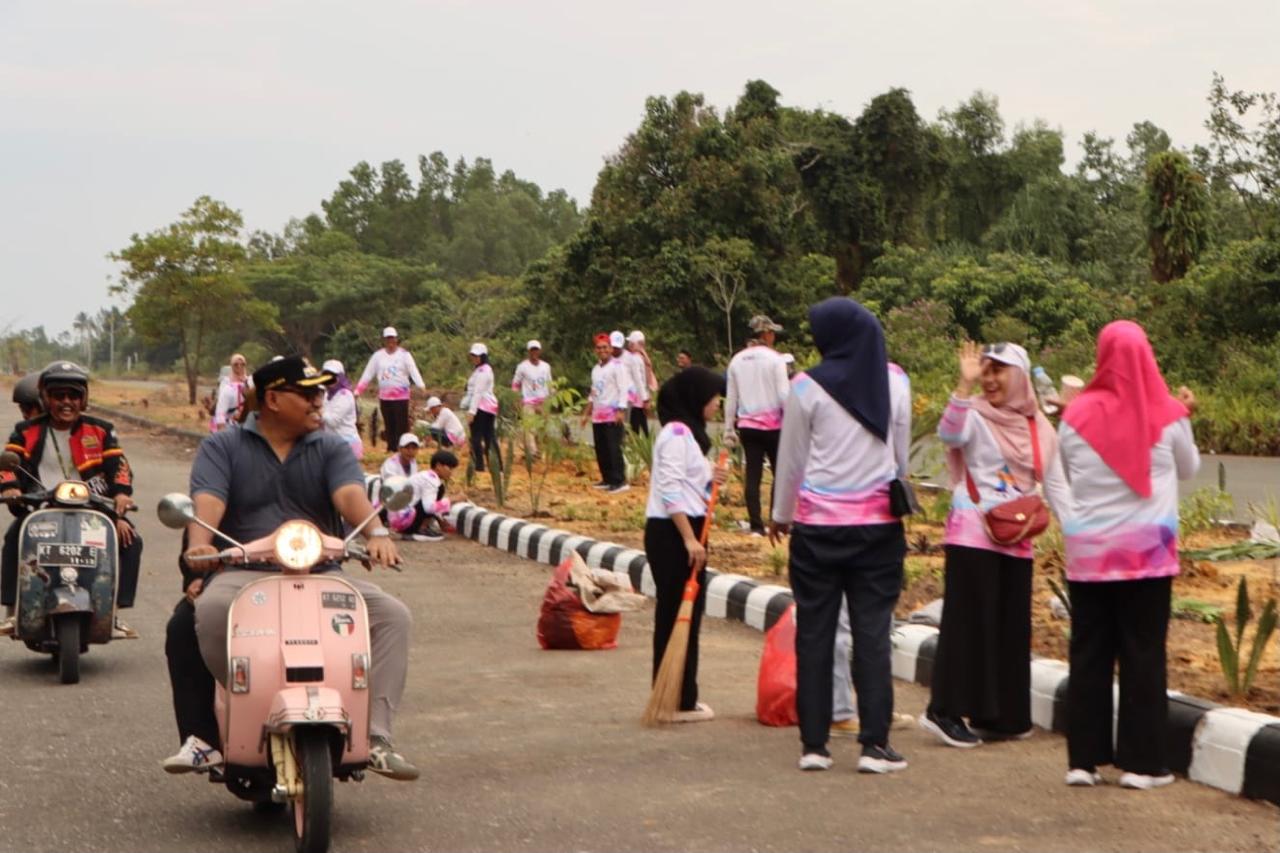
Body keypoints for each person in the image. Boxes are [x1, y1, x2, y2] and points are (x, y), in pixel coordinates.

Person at [186, 357, 418, 780]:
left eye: (320, 393)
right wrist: (201, 546)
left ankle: (378, 738)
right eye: (308, 393)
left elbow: (350, 494)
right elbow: (209, 504)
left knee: (390, 616)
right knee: (209, 613)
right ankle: (233, 716)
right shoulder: (223, 446)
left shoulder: (330, 446)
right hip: (244, 571)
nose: (318, 402)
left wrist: (376, 532)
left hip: (321, 570)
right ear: (272, 399)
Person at [768, 297, 911, 774]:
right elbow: (901, 458)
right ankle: (875, 746)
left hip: (816, 531)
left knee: (815, 632)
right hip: (877, 531)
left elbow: (791, 460)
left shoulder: (805, 386)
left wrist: (781, 514)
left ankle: (814, 746)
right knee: (872, 633)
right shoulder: (896, 381)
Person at [1056, 321, 1199, 790]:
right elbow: (1189, 469)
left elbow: (1070, 479)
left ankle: (1083, 761)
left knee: (1090, 652)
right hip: (1147, 557)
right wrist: (1184, 416)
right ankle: (1142, 765)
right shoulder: (1169, 413)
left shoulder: (1074, 417)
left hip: (1090, 554)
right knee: (1142, 653)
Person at [920, 341, 1070, 750]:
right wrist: (962, 387)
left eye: (997, 371)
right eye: (985, 371)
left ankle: (1003, 716)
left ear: (1020, 377)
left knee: (1008, 627)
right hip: (973, 533)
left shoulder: (1040, 427)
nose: (989, 379)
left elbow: (1055, 487)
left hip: (1018, 538)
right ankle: (943, 710)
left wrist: (1079, 539)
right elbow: (949, 433)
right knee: (968, 625)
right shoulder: (974, 415)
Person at [0, 361, 141, 639]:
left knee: (131, 540)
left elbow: (119, 467)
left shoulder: (101, 430)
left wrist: (122, 498)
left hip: (93, 507)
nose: (66, 402)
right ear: (46, 398)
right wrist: (10, 488)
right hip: (41, 506)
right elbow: (7, 464)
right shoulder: (26, 431)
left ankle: (114, 611)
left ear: (83, 399)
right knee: (13, 538)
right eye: (58, 395)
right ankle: (13, 610)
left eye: (73, 395)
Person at [644, 366, 728, 722]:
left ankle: (678, 695)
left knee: (682, 615)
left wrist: (713, 475)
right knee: (676, 615)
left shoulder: (684, 435)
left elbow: (691, 484)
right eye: (713, 400)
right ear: (696, 398)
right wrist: (690, 539)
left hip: (681, 530)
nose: (715, 406)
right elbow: (670, 489)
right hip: (674, 533)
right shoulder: (677, 434)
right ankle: (676, 700)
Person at [724, 316, 790, 536]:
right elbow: (784, 395)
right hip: (774, 426)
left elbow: (731, 399)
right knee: (779, 474)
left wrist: (728, 430)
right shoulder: (776, 359)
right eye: (772, 333)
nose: (773, 337)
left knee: (753, 475)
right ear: (766, 334)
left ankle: (755, 525)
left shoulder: (737, 360)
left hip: (748, 426)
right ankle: (776, 521)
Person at [355, 327, 427, 452]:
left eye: (392, 338)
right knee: (389, 422)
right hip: (385, 396)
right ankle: (391, 447)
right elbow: (368, 373)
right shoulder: (377, 356)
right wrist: (358, 390)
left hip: (401, 396)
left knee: (401, 423)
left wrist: (421, 385)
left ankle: (403, 448)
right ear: (384, 340)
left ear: (396, 339)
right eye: (388, 338)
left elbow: (413, 370)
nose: (390, 341)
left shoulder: (404, 355)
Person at [582, 332, 629, 494]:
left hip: (612, 413)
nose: (602, 350)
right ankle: (607, 478)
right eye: (599, 348)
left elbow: (624, 389)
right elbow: (593, 392)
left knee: (613, 447)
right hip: (598, 415)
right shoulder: (596, 369)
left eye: (605, 347)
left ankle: (619, 480)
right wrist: (587, 413)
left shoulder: (618, 366)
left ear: (610, 349)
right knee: (601, 448)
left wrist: (621, 410)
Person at [395, 450, 459, 542]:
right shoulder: (431, 481)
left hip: (399, 517)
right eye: (449, 468)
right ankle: (418, 530)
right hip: (404, 521)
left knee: (439, 490)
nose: (451, 472)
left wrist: (440, 520)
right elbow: (429, 507)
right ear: (438, 466)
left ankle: (421, 527)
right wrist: (453, 499)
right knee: (439, 491)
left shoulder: (425, 475)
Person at [460, 342, 500, 473]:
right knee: (489, 437)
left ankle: (479, 466)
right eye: (473, 355)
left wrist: (472, 412)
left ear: (483, 356)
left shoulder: (483, 371)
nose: (475, 358)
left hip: (481, 407)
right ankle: (496, 466)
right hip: (488, 407)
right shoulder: (481, 370)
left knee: (477, 438)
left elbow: (478, 392)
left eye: (477, 356)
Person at [321, 359, 363, 459]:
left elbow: (333, 421)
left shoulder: (345, 395)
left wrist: (318, 411)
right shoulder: (327, 395)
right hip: (332, 443)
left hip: (347, 443)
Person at [623, 331, 656, 435]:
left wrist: (645, 398)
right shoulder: (643, 358)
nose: (629, 345)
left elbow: (639, 380)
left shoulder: (635, 359)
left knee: (634, 429)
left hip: (636, 399)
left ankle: (637, 449)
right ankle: (646, 448)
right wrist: (646, 397)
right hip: (641, 398)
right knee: (642, 427)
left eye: (631, 343)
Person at [511, 340, 553, 413]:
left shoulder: (546, 366)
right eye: (532, 350)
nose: (534, 352)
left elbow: (549, 383)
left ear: (540, 351)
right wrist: (516, 400)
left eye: (536, 349)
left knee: (544, 424)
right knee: (529, 423)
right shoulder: (522, 366)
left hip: (544, 402)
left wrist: (553, 395)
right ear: (528, 351)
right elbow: (515, 384)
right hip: (528, 403)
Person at [211, 354, 249, 432]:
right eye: (236, 364)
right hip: (229, 424)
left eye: (242, 364)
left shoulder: (250, 382)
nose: (239, 366)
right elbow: (221, 408)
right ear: (232, 366)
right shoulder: (226, 384)